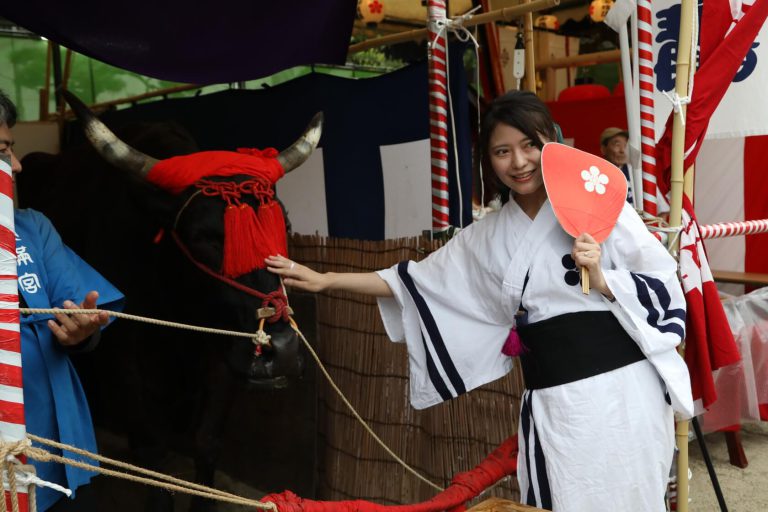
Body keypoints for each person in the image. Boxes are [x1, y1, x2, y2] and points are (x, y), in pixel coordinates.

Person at [266, 90, 693, 511]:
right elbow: (416, 282)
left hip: (624, 394)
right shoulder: (485, 238)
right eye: (502, 151)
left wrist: (602, 279)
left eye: (530, 145)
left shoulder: (598, 206)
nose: (519, 162)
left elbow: (661, 283)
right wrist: (325, 280)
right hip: (556, 406)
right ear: (488, 160)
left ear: (553, 142)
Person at [0, 89, 124, 511]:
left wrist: (82, 331)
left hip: (55, 434)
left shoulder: (32, 226)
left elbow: (77, 307)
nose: (18, 165)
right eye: (3, 152)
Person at [600, 126, 634, 205]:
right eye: (617, 145)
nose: (622, 150)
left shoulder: (634, 172)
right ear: (603, 149)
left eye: (625, 145)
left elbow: (661, 206)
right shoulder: (597, 175)